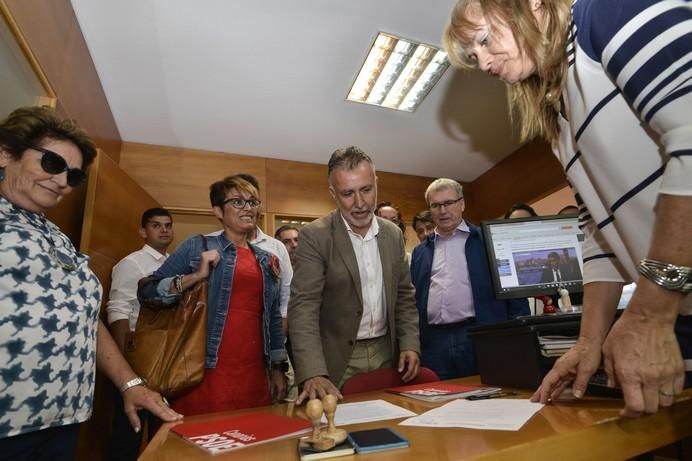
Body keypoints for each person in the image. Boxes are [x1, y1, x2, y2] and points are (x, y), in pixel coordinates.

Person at [444, 0, 692, 417]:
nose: (484, 63)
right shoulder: (558, 115)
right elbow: (598, 232)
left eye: (484, 40)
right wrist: (589, 341)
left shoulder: (610, 12)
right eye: (473, 57)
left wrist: (650, 313)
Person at [0, 106, 181, 460]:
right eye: (52, 164)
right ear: (6, 153)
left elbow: (84, 317)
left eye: (74, 176)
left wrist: (130, 383)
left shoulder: (56, 236)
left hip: (60, 419)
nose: (63, 181)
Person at [138, 175, 288, 416]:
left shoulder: (267, 259)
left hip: (254, 374)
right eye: (238, 202)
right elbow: (147, 292)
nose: (248, 208)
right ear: (218, 211)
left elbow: (272, 317)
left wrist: (278, 368)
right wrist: (196, 276)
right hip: (202, 372)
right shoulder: (196, 246)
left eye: (253, 202)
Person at [288, 146, 420, 404]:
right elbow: (304, 306)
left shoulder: (392, 234)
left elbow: (404, 296)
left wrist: (409, 343)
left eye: (366, 190)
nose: (360, 203)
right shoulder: (316, 236)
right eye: (348, 193)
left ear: (376, 185)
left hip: (386, 353)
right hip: (336, 359)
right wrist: (313, 371)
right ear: (333, 194)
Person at [410, 178, 529, 379]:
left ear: (462, 203)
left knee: (487, 399)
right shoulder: (420, 252)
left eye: (449, 203)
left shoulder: (488, 240)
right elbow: (412, 301)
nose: (442, 210)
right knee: (439, 405)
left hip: (479, 337)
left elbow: (515, 295)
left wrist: (519, 338)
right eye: (436, 205)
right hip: (434, 343)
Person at [105, 207, 174, 461]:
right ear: (143, 232)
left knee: (163, 427)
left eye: (167, 225)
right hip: (137, 353)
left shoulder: (173, 263)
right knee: (129, 431)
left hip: (166, 353)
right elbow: (118, 308)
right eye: (156, 225)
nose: (164, 229)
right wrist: (125, 360)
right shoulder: (132, 262)